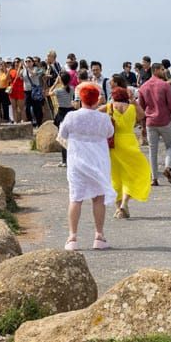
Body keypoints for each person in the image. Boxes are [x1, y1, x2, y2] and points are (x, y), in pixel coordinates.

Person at [56, 82, 115, 252]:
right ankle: (99, 235)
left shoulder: (71, 117)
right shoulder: (103, 118)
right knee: (98, 198)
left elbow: (62, 134)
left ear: (80, 99)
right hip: (98, 160)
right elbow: (110, 133)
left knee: (76, 198)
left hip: (77, 160)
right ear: (97, 100)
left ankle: (72, 237)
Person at [103, 85, 151, 219]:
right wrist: (133, 100)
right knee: (132, 174)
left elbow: (92, 113)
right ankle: (124, 204)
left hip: (113, 143)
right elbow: (142, 115)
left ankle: (119, 209)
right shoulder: (131, 108)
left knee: (115, 175)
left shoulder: (110, 107)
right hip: (129, 142)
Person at [138, 62, 171, 186]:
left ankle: (154, 178)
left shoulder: (143, 87)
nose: (163, 71)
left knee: (152, 150)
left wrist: (142, 125)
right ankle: (168, 167)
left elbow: (141, 108)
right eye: (161, 69)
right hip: (165, 120)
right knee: (170, 145)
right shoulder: (165, 85)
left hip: (150, 121)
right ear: (155, 70)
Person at [51, 69, 76, 166]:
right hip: (70, 111)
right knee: (71, 137)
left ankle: (64, 160)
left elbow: (49, 92)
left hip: (61, 113)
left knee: (62, 138)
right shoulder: (72, 89)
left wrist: (55, 83)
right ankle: (71, 159)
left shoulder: (58, 91)